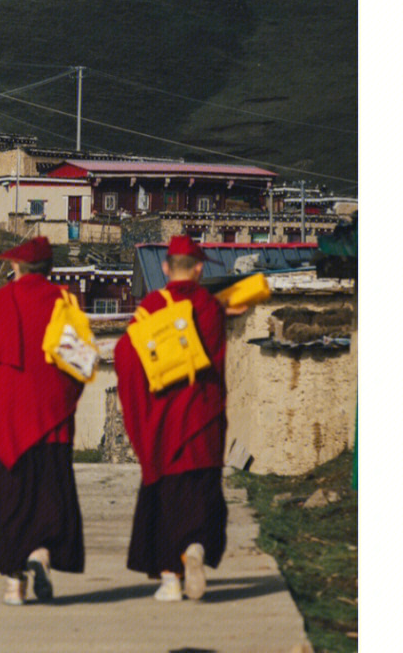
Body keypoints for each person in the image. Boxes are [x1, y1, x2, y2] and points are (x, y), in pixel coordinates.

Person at [0, 235, 86, 606]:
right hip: (51, 420)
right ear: (50, 269)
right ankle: (40, 554)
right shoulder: (65, 303)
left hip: (7, 423)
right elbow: (80, 365)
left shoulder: (1, 301)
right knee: (49, 497)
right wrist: (63, 402)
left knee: (10, 500)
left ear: (16, 267)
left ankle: (14, 586)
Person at [114, 233, 228, 602]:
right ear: (198, 269)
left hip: (164, 421)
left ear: (165, 268)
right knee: (203, 492)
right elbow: (217, 363)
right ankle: (196, 547)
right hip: (203, 419)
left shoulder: (151, 306)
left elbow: (126, 356)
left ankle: (170, 580)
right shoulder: (210, 308)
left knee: (165, 499)